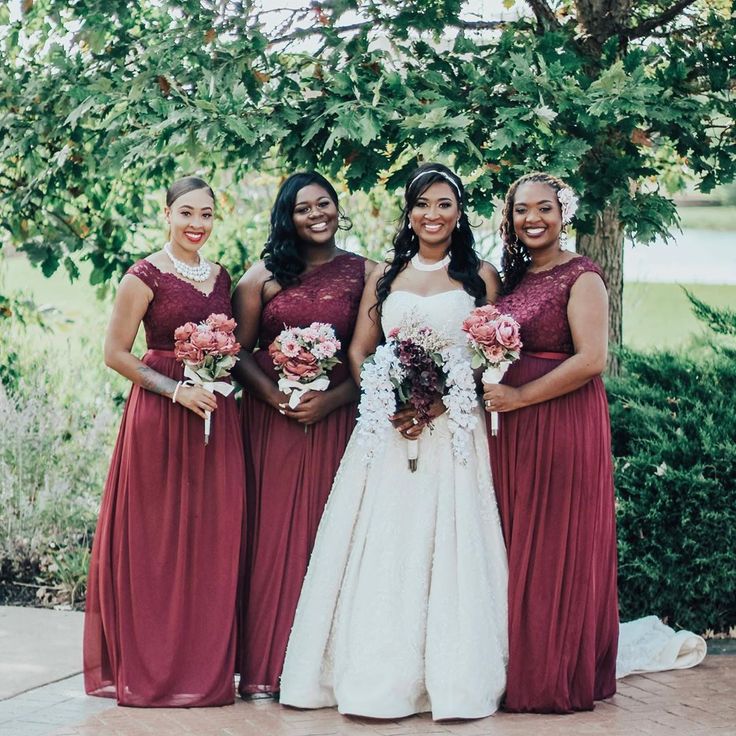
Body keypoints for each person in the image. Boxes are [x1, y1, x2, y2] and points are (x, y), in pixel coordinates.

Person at [279, 163, 508, 720]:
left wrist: (443, 400)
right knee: (383, 544)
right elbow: (361, 348)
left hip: (452, 429)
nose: (432, 215)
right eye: (422, 204)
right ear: (409, 212)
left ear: (459, 212)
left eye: (444, 204)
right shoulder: (387, 273)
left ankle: (451, 676)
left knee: (451, 543)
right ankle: (375, 671)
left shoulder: (480, 275)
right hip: (389, 427)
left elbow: (490, 353)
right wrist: (395, 396)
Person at [83, 176, 245, 707]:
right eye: (187, 213)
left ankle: (202, 668)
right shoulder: (143, 276)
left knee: (211, 540)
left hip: (215, 419)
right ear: (167, 214)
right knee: (158, 543)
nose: (197, 224)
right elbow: (115, 353)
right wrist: (176, 390)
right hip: (161, 416)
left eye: (207, 215)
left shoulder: (222, 277)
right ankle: (154, 669)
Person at [231, 172, 372, 698]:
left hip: (336, 418)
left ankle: (320, 667)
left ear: (339, 208)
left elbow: (369, 356)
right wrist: (273, 397)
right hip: (272, 422)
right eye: (303, 207)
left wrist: (332, 401)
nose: (317, 214)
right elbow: (237, 349)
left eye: (325, 203)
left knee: (327, 534)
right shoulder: (262, 276)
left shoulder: (367, 273)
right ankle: (265, 664)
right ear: (286, 216)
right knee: (273, 537)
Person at [483, 172, 619, 713]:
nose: (532, 219)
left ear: (564, 213)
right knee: (518, 545)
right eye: (521, 210)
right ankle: (518, 660)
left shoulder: (581, 275)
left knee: (553, 544)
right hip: (515, 430)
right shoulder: (516, 277)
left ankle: (553, 675)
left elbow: (591, 360)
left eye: (544, 208)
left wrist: (520, 398)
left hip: (561, 422)